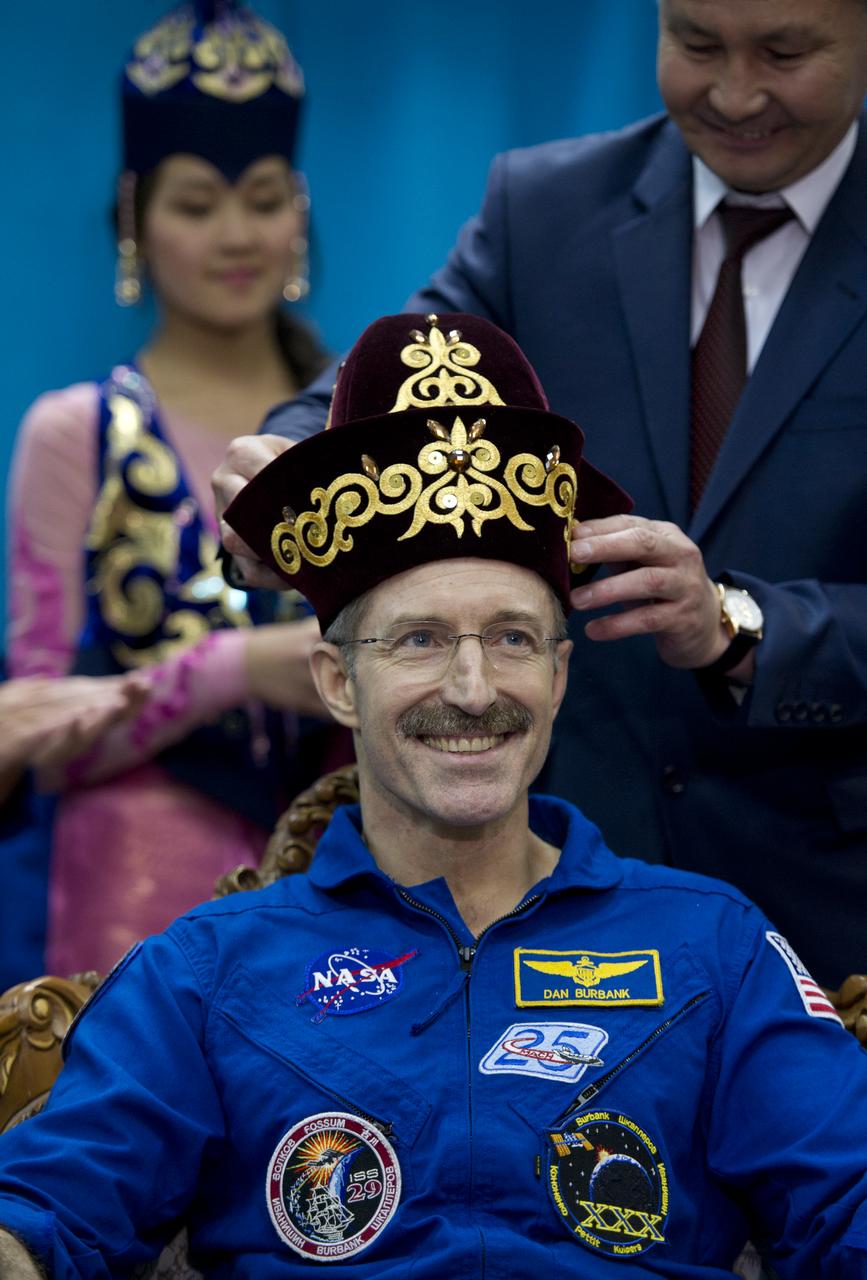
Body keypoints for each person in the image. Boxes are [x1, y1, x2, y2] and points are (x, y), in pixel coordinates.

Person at [0, 312, 866, 1279]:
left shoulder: (714, 945)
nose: (473, 689)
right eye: (417, 640)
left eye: (512, 638)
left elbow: (848, 1205)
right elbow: (46, 1216)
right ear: (337, 681)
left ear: (559, 675)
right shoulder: (201, 974)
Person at [213, 0, 867, 990]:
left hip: (832, 902)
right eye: (696, 45)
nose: (736, 94)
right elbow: (390, 373)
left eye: (783, 52)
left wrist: (739, 627)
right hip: (558, 901)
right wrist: (287, 461)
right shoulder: (548, 209)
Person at [4, 0, 341, 978]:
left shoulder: (357, 423)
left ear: (299, 212)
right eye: (196, 205)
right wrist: (234, 669)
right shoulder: (79, 435)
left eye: (264, 199)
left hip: (348, 892)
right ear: (134, 221)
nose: (237, 234)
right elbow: (37, 735)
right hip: (129, 912)